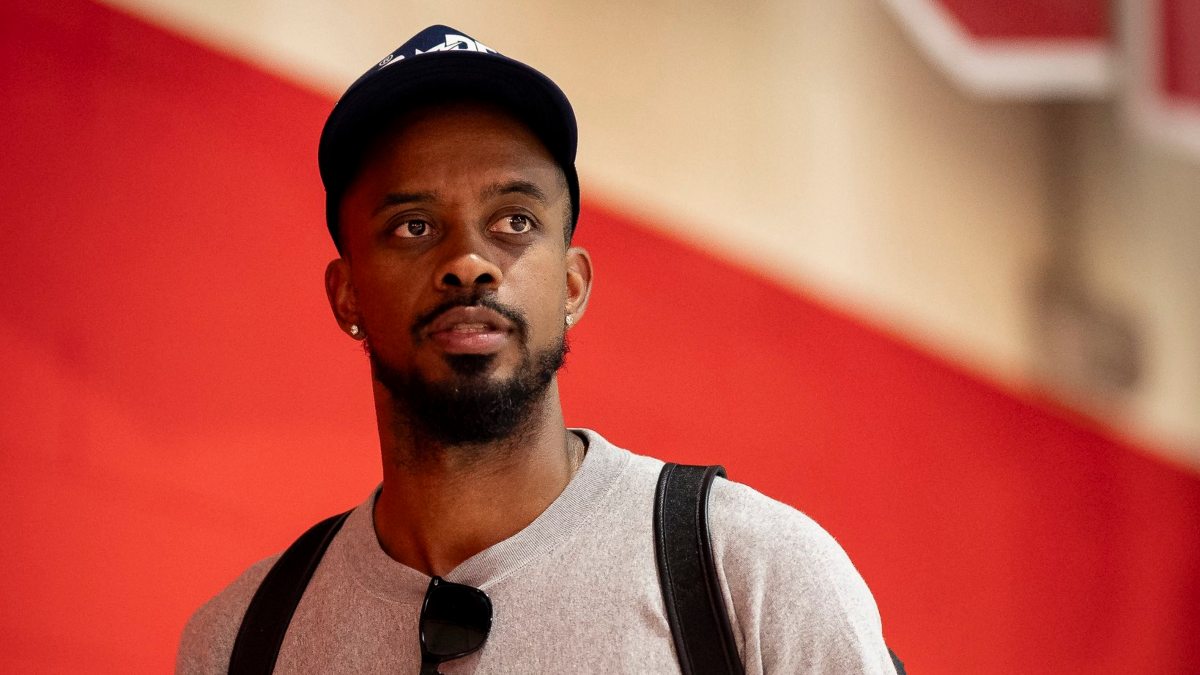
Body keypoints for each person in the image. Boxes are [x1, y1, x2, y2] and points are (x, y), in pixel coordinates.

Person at [177, 25, 898, 674]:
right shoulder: (240, 643)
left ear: (573, 284)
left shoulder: (755, 575)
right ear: (347, 296)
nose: (468, 262)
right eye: (413, 226)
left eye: (515, 220)